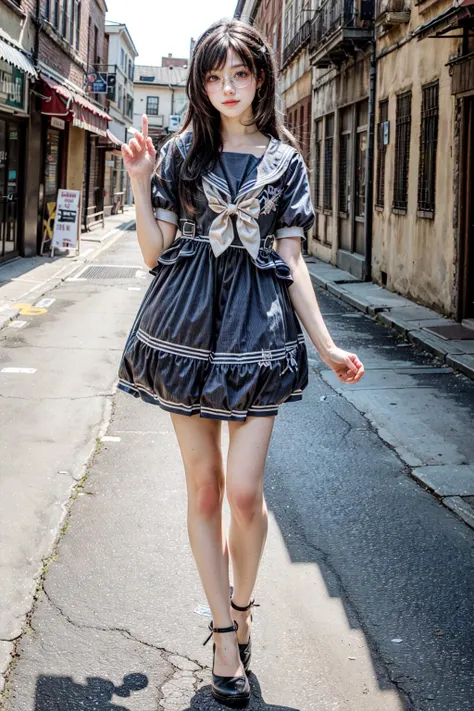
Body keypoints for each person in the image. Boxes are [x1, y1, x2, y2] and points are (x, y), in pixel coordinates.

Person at [118, 18, 364, 708]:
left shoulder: (286, 163)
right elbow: (153, 252)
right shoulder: (180, 155)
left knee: (246, 493)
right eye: (214, 76)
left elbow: (291, 265)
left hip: (256, 338)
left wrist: (326, 344)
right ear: (201, 83)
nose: (227, 88)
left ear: (260, 79)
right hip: (185, 334)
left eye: (240, 75)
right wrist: (141, 183)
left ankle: (245, 604)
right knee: (203, 488)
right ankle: (224, 633)